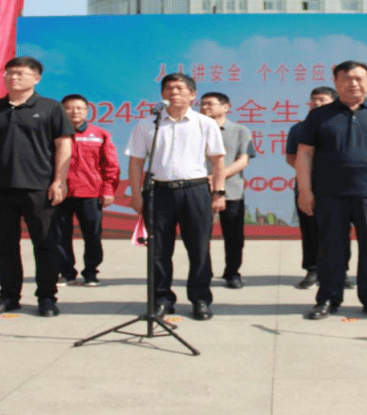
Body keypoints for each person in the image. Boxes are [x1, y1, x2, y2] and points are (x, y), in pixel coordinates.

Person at [297, 60, 367, 320]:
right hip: (329, 192)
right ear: (336, 82)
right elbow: (304, 153)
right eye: (347, 78)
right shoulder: (319, 115)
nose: (353, 83)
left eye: (360, 78)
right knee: (331, 248)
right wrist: (305, 190)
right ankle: (328, 299)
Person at [0, 57, 74, 318]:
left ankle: (47, 298)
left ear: (36, 78)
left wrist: (58, 181)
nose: (13, 77)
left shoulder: (51, 108)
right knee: (5, 246)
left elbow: (64, 145)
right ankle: (8, 297)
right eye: (9, 73)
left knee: (45, 245)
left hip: (39, 188)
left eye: (20, 73)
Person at [125, 73, 226, 321]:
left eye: (181, 88)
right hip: (159, 192)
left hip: (195, 190)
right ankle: (161, 299)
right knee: (158, 250)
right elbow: (136, 163)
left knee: (199, 248)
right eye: (169, 88)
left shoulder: (205, 123)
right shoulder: (148, 124)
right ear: (162, 94)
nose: (174, 93)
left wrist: (218, 193)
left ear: (193, 94)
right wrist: (136, 194)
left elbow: (217, 161)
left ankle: (200, 299)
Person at [286, 86, 353, 289]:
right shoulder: (299, 128)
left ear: (334, 102)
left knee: (340, 231)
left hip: (339, 187)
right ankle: (312, 270)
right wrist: (310, 171)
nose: (316, 103)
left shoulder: (344, 124)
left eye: (322, 99)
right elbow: (291, 157)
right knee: (310, 230)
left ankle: (341, 271)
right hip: (308, 185)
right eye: (313, 99)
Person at [56, 94, 120, 287]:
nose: (74, 112)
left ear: (87, 111)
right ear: (61, 110)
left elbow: (111, 165)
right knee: (60, 235)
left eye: (79, 108)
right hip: (60, 192)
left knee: (92, 236)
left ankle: (91, 272)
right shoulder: (54, 134)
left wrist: (108, 189)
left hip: (91, 193)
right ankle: (66, 273)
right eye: (69, 108)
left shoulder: (99, 134)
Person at [199, 92, 256, 289]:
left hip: (231, 191)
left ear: (226, 107)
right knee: (200, 235)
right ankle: (203, 273)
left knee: (233, 236)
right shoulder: (194, 129)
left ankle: (232, 272)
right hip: (198, 190)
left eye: (210, 104)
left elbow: (243, 160)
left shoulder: (240, 131)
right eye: (202, 104)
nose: (204, 107)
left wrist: (217, 178)